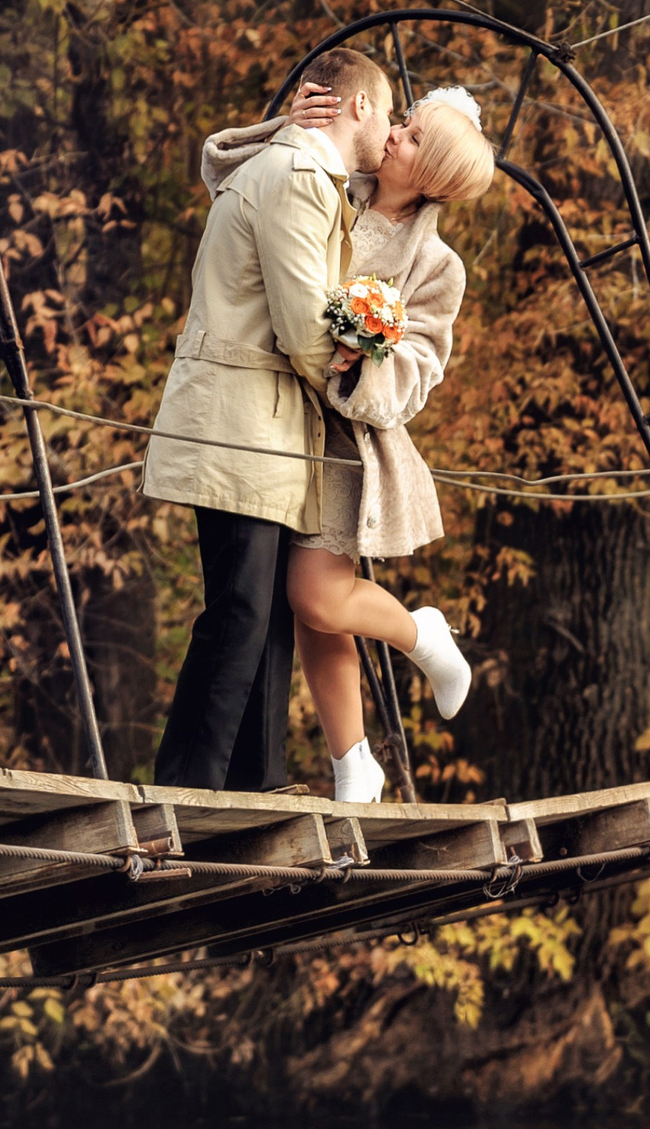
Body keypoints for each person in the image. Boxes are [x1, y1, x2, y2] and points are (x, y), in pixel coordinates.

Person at [200, 84, 492, 801]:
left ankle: (421, 634)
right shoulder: (327, 175)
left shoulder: (436, 267)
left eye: (414, 137)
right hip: (267, 419)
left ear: (431, 178)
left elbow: (419, 369)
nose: (393, 134)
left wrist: (366, 357)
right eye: (403, 123)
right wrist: (286, 126)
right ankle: (352, 763)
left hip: (337, 443)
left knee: (317, 599)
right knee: (306, 606)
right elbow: (227, 178)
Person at [142, 47, 390, 794]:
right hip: (239, 423)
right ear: (357, 107)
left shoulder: (303, 175)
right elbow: (301, 325)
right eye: (388, 111)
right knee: (241, 609)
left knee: (266, 612)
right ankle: (190, 788)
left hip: (266, 430)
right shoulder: (296, 178)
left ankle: (256, 779)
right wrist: (359, 382)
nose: (392, 129)